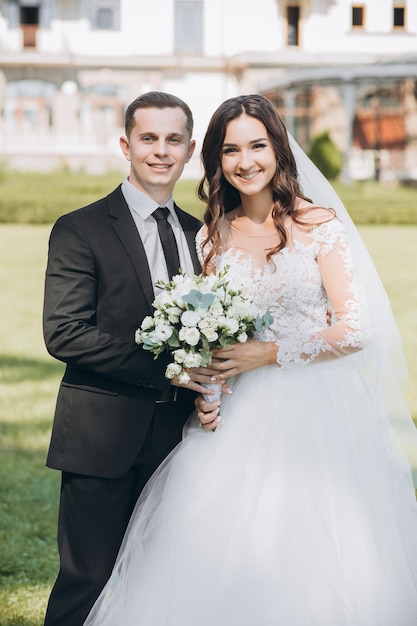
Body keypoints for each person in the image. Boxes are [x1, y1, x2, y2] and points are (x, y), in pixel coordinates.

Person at [84, 94, 417, 625]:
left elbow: (357, 327)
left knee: (313, 541)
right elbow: (214, 333)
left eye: (257, 145)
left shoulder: (318, 224)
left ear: (278, 149)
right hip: (238, 417)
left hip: (317, 406)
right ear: (216, 160)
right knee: (222, 542)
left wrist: (272, 352)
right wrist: (210, 397)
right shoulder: (212, 236)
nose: (246, 161)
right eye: (231, 150)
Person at [42, 91, 216, 626]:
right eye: (148, 138)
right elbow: (65, 333)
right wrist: (168, 369)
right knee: (88, 580)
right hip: (101, 438)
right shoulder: (81, 229)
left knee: (162, 579)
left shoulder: (202, 235)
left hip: (180, 442)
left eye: (173, 140)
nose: (160, 151)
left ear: (189, 150)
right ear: (126, 145)